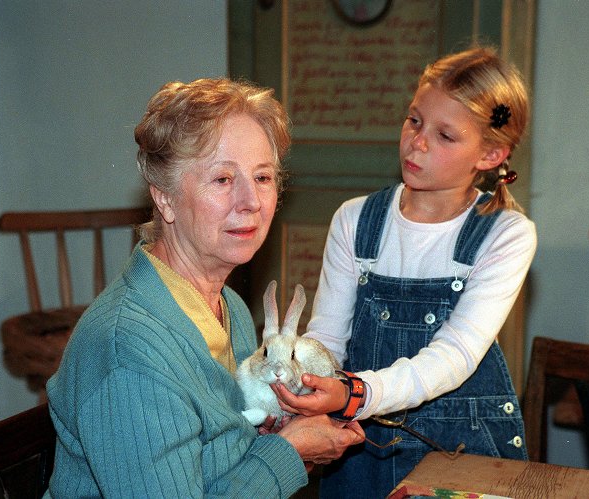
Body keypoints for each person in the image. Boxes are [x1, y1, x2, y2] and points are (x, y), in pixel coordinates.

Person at [44, 78, 364, 498]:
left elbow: (221, 454)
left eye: (263, 177)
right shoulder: (128, 353)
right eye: (222, 179)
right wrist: (289, 450)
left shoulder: (227, 306)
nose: (251, 201)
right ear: (166, 199)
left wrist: (279, 428)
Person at [274, 46, 537, 498]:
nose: (417, 142)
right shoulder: (355, 221)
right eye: (414, 120)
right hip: (362, 451)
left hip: (461, 453)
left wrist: (354, 394)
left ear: (492, 154)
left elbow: (452, 357)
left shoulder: (506, 234)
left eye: (445, 136)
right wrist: (302, 386)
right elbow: (327, 342)